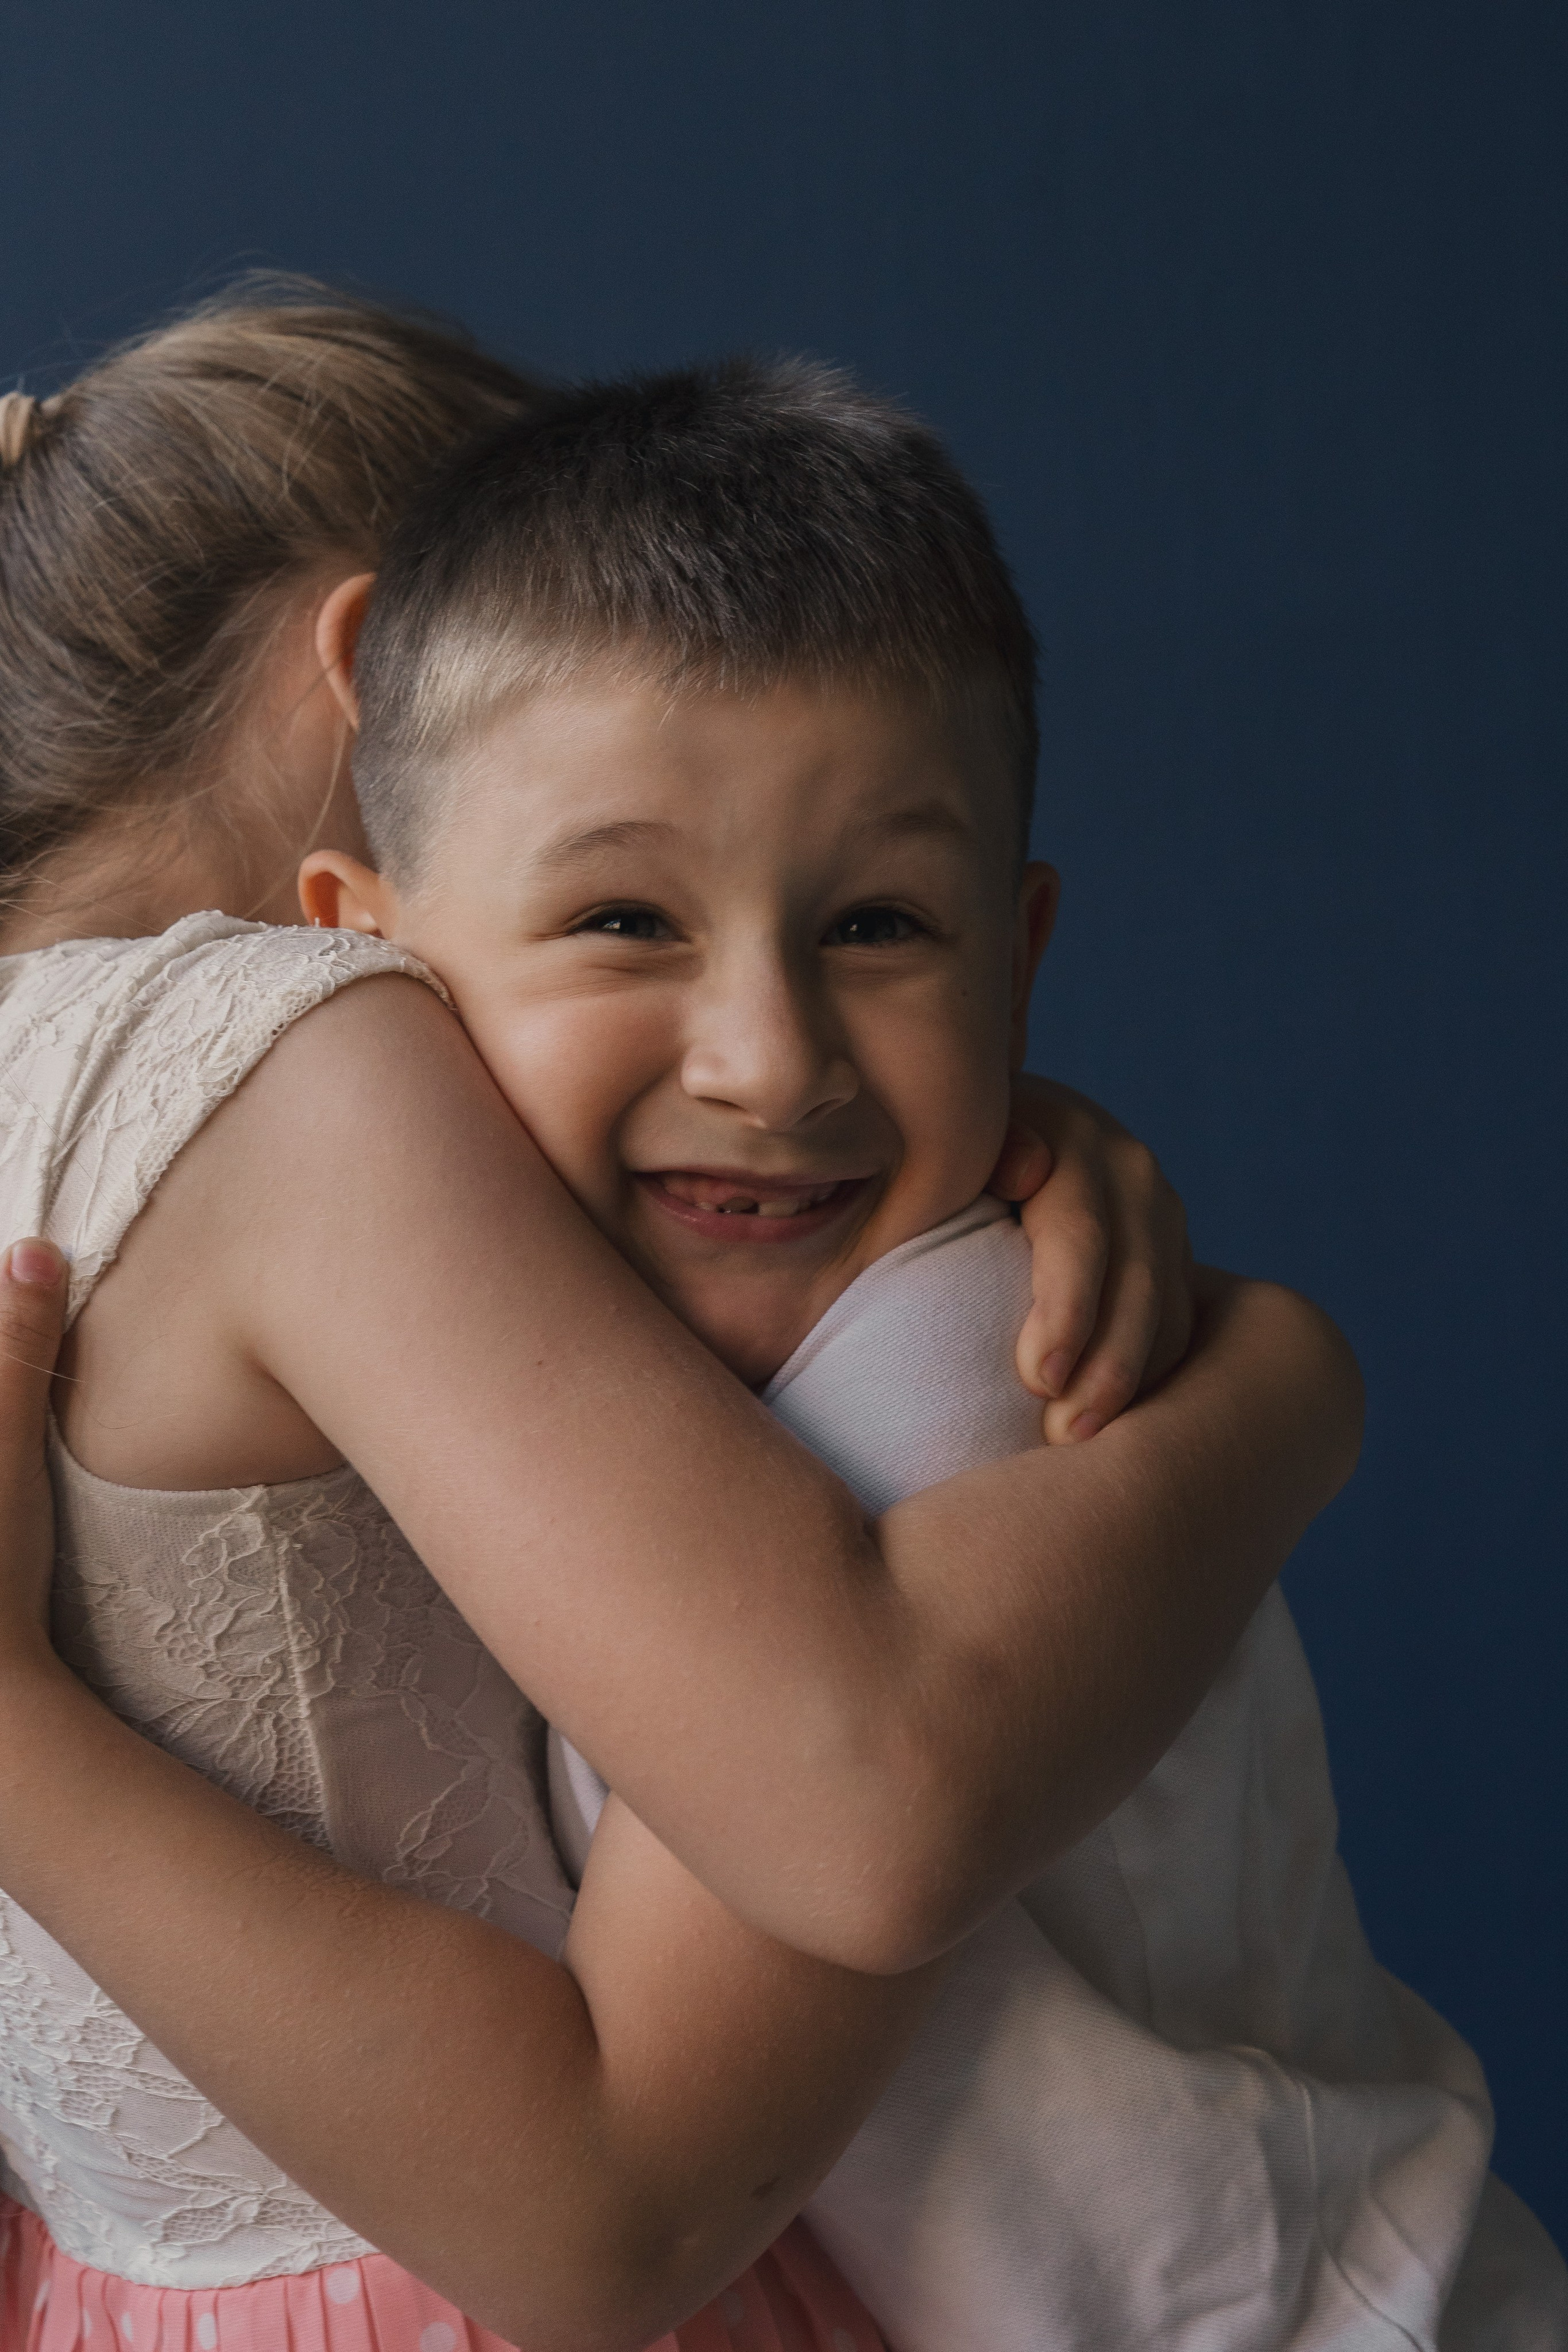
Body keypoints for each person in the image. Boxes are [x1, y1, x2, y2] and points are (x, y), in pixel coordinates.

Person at [0, 299, 1357, 2352]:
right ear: (378, 670)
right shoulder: (295, 1060)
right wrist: (1288, 1386)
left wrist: (974, 1110)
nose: (756, 1047)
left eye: (875, 926)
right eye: (628, 898)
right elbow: (863, 1793)